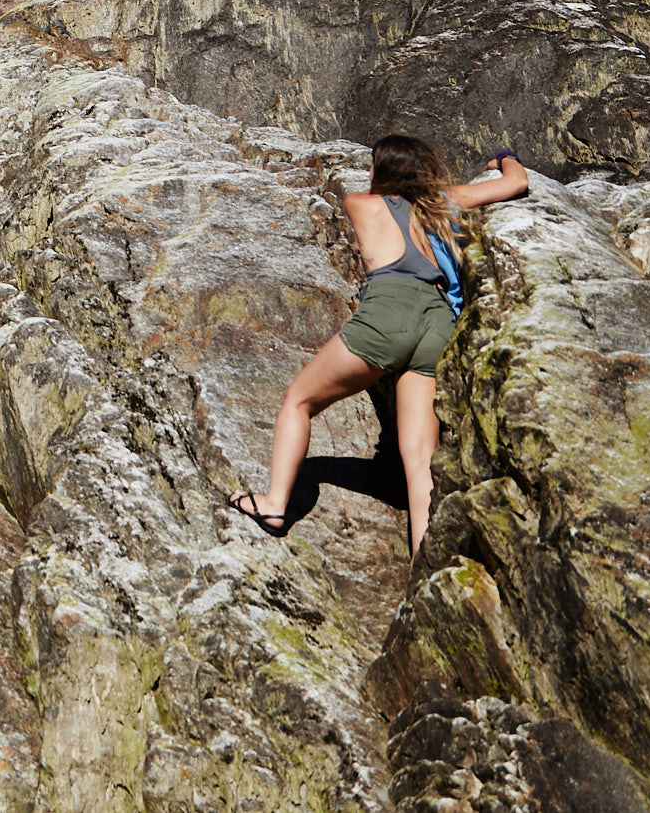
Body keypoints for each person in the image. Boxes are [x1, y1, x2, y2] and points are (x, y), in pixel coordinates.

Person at [227, 135, 530, 557]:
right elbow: (516, 183)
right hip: (440, 321)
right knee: (421, 456)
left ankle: (275, 504)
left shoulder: (361, 204)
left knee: (298, 400)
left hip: (390, 312)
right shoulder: (444, 203)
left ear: (382, 171)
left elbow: (377, 203)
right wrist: (504, 157)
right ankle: (424, 567)